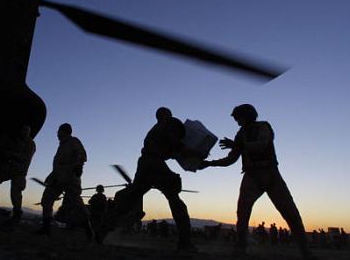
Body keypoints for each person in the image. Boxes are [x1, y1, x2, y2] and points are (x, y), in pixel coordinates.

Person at [200, 104, 315, 259]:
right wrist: (209, 163)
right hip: (252, 176)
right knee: (242, 214)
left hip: (271, 174)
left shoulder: (263, 127)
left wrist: (238, 146)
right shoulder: (240, 135)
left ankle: (306, 252)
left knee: (291, 213)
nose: (236, 121)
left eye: (238, 118)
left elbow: (262, 145)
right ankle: (241, 250)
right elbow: (230, 159)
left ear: (246, 116)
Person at [98, 107, 198, 251]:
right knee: (175, 200)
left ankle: (103, 230)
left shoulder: (154, 131)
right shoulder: (169, 123)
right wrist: (195, 153)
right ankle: (185, 243)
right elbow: (177, 145)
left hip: (145, 163)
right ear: (168, 115)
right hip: (155, 164)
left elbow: (171, 150)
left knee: (129, 200)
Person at [37, 123, 90, 236]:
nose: (57, 135)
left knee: (77, 205)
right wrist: (52, 176)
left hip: (71, 179)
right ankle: (46, 229)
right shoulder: (61, 146)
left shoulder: (74, 141)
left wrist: (79, 166)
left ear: (65, 132)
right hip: (58, 179)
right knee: (46, 199)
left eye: (59, 132)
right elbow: (59, 165)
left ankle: (89, 229)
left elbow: (82, 155)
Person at [0, 125, 35, 223]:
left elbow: (25, 158)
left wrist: (12, 154)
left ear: (29, 132)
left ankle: (17, 213)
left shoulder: (30, 144)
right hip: (9, 168)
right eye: (23, 130)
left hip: (20, 171)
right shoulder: (16, 140)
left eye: (26, 130)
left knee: (15, 192)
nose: (24, 132)